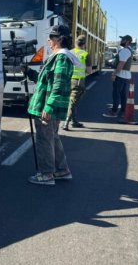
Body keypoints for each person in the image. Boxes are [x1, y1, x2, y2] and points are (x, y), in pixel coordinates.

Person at [27, 25, 75, 186]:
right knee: (52, 138)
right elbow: (46, 81)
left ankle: (47, 174)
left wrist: (49, 107)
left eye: (51, 37)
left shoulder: (61, 57)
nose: (48, 40)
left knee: (44, 140)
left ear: (60, 39)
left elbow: (59, 85)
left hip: (47, 107)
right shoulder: (58, 56)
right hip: (49, 105)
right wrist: (30, 73)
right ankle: (62, 170)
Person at [64, 35, 92, 130]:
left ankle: (74, 121)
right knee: (73, 102)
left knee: (72, 102)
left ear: (75, 43)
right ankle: (66, 123)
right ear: (84, 44)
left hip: (67, 81)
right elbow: (89, 71)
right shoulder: (85, 54)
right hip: (78, 82)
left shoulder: (69, 53)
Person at [103, 34, 133, 118]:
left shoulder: (124, 51)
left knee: (116, 94)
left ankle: (114, 111)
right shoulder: (128, 50)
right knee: (123, 95)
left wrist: (114, 74)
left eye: (123, 39)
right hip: (125, 76)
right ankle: (123, 111)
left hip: (121, 75)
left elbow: (121, 64)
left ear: (127, 42)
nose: (121, 41)